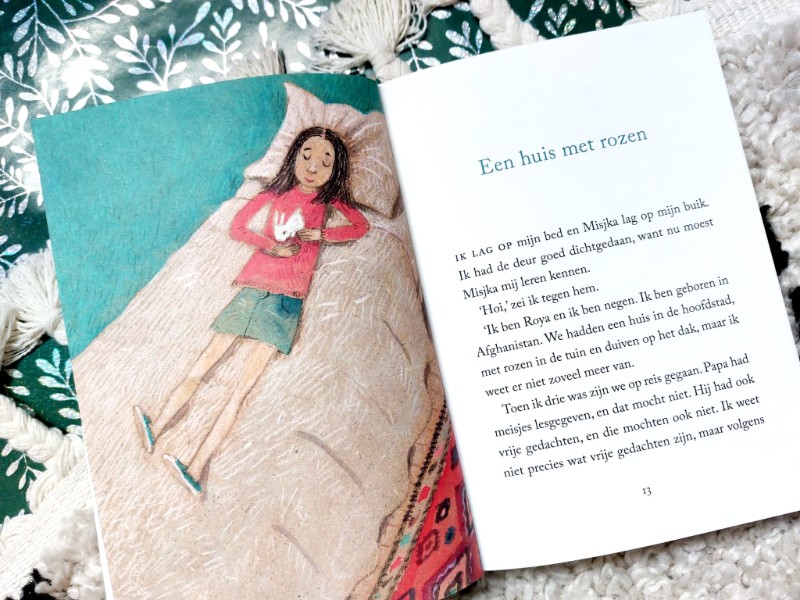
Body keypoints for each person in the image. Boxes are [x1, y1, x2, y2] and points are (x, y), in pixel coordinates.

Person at [134, 126, 369, 494]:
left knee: (241, 389)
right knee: (204, 365)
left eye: (326, 162)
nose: (313, 167)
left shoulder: (328, 202)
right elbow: (239, 227)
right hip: (254, 286)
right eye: (307, 155)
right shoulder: (275, 192)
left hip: (287, 299)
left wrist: (322, 235)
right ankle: (158, 425)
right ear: (293, 156)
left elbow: (360, 226)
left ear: (335, 170)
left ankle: (195, 466)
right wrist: (269, 246)